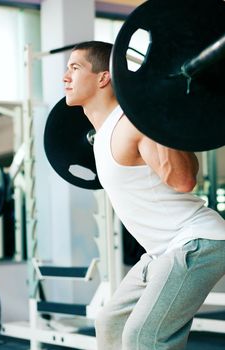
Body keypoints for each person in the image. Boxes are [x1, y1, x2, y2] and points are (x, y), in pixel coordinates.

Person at [63, 40, 225, 350]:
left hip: (197, 241)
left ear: (103, 77)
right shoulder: (103, 133)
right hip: (160, 252)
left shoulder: (133, 122)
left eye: (75, 68)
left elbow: (183, 179)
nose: (65, 77)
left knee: (143, 336)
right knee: (111, 324)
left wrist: (154, 113)